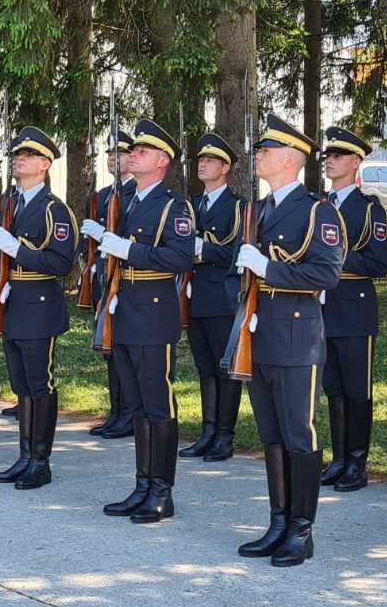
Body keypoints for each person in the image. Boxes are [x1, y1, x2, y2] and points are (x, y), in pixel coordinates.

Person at [232, 114, 343, 567]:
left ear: (293, 158)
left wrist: (268, 269)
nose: (259, 155)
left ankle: (302, 529)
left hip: (297, 334)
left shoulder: (319, 211)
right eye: (259, 150)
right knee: (271, 434)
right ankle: (279, 521)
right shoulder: (258, 210)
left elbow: (326, 273)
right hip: (260, 333)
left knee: (299, 433)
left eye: (268, 150)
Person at [85, 120, 194, 523]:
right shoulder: (127, 199)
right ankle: (142, 484)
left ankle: (162, 491)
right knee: (138, 407)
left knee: (157, 403)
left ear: (163, 160)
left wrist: (131, 250)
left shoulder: (173, 205)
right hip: (125, 306)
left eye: (143, 151)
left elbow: (181, 258)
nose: (133, 154)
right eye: (134, 150)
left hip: (152, 308)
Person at [0, 127, 78, 490]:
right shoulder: (12, 203)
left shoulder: (54, 209)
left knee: (40, 385)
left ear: (45, 164)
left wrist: (16, 251)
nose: (18, 159)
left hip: (40, 304)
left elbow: (61, 262)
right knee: (21, 386)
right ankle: (24, 456)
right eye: (16, 155)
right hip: (13, 304)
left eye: (27, 155)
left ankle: (41, 461)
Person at [317, 127, 387, 492]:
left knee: (358, 390)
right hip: (324, 311)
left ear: (356, 162)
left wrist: (331, 258)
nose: (330, 161)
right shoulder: (321, 205)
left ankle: (358, 463)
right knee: (334, 389)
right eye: (328, 156)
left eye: (339, 155)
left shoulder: (369, 208)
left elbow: (378, 263)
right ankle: (339, 459)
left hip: (355, 309)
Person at [182, 133, 245, 461]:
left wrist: (202, 249)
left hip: (222, 296)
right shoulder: (189, 204)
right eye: (200, 161)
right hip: (194, 297)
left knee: (225, 369)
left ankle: (224, 436)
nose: (202, 165)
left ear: (225, 168)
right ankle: (207, 432)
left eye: (210, 161)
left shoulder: (238, 207)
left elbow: (235, 252)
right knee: (204, 366)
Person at [87, 131, 135, 437]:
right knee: (109, 347)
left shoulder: (133, 194)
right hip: (103, 276)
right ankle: (116, 411)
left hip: (124, 279)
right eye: (109, 154)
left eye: (119, 154)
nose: (113, 159)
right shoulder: (102, 195)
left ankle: (129, 413)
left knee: (124, 349)